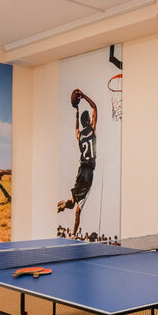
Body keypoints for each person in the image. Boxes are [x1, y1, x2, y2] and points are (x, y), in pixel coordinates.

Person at [57, 89, 97, 236]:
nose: (91, 120)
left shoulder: (79, 135)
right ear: (88, 121)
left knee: (72, 203)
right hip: (88, 174)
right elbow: (94, 107)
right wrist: (84, 96)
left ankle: (61, 205)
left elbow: (76, 128)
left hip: (80, 171)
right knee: (78, 210)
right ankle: (74, 235)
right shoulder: (92, 130)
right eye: (90, 119)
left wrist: (77, 110)